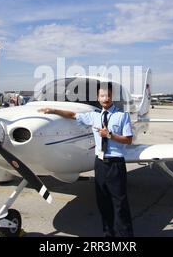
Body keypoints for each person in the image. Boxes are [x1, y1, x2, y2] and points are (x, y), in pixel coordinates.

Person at [39, 82, 134, 237]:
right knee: (103, 203)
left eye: (108, 95)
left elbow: (128, 140)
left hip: (116, 164)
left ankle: (125, 238)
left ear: (112, 97)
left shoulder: (122, 116)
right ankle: (108, 235)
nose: (106, 98)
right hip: (100, 163)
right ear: (98, 97)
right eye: (102, 95)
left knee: (120, 204)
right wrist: (53, 110)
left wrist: (110, 135)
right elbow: (72, 115)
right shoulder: (93, 116)